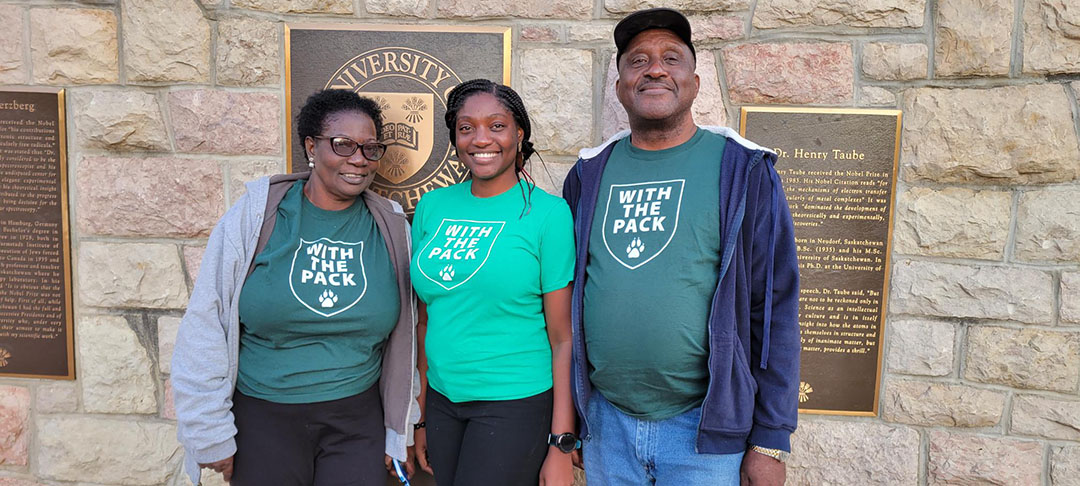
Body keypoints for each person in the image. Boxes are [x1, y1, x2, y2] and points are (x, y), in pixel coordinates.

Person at [561, 8, 800, 486]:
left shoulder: (743, 172)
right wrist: (570, 426)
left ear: (693, 82)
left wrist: (770, 438)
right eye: (637, 61)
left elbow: (774, 307)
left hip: (704, 434)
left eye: (671, 58)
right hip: (607, 427)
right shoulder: (588, 176)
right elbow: (566, 302)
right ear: (620, 86)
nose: (654, 68)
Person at [171, 89, 419, 486]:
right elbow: (206, 322)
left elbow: (405, 341)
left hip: (356, 423)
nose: (359, 158)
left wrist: (400, 427)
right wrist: (210, 433)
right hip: (263, 419)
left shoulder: (390, 226)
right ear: (311, 146)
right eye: (343, 145)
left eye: (371, 148)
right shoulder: (257, 216)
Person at [408, 79, 577, 486]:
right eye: (466, 128)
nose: (480, 139)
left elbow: (563, 338)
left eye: (496, 125)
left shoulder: (548, 215)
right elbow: (426, 319)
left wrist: (560, 444)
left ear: (519, 133)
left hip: (514, 402)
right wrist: (421, 416)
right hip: (445, 401)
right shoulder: (433, 206)